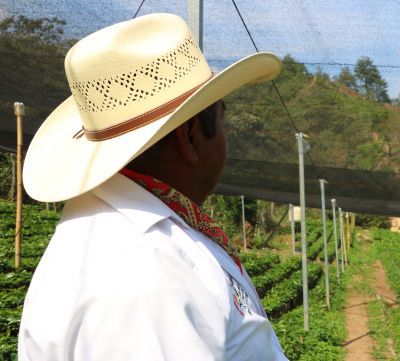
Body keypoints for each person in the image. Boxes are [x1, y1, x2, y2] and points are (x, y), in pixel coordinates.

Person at [18, 13, 287, 361]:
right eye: (222, 119)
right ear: (190, 137)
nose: (225, 136)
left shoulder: (135, 235)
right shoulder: (143, 273)